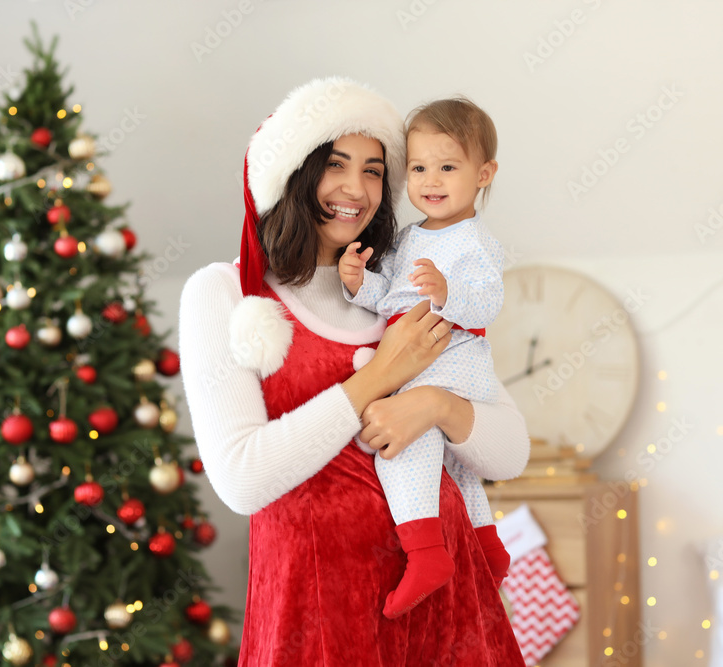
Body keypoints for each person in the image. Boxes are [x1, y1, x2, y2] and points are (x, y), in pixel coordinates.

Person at [179, 77, 529, 666]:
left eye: (373, 170)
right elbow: (242, 480)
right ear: (294, 171)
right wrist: (379, 376)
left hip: (451, 617)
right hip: (319, 621)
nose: (356, 188)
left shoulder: (399, 286)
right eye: (334, 164)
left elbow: (510, 454)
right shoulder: (224, 294)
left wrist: (434, 405)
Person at [338, 97, 510, 618]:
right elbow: (390, 296)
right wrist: (359, 283)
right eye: (418, 168)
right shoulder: (411, 236)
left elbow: (489, 302)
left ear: (483, 174)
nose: (430, 180)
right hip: (425, 351)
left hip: (453, 354)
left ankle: (425, 553)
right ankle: (489, 547)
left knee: (402, 439)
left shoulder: (476, 241)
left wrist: (446, 292)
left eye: (448, 167)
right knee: (455, 467)